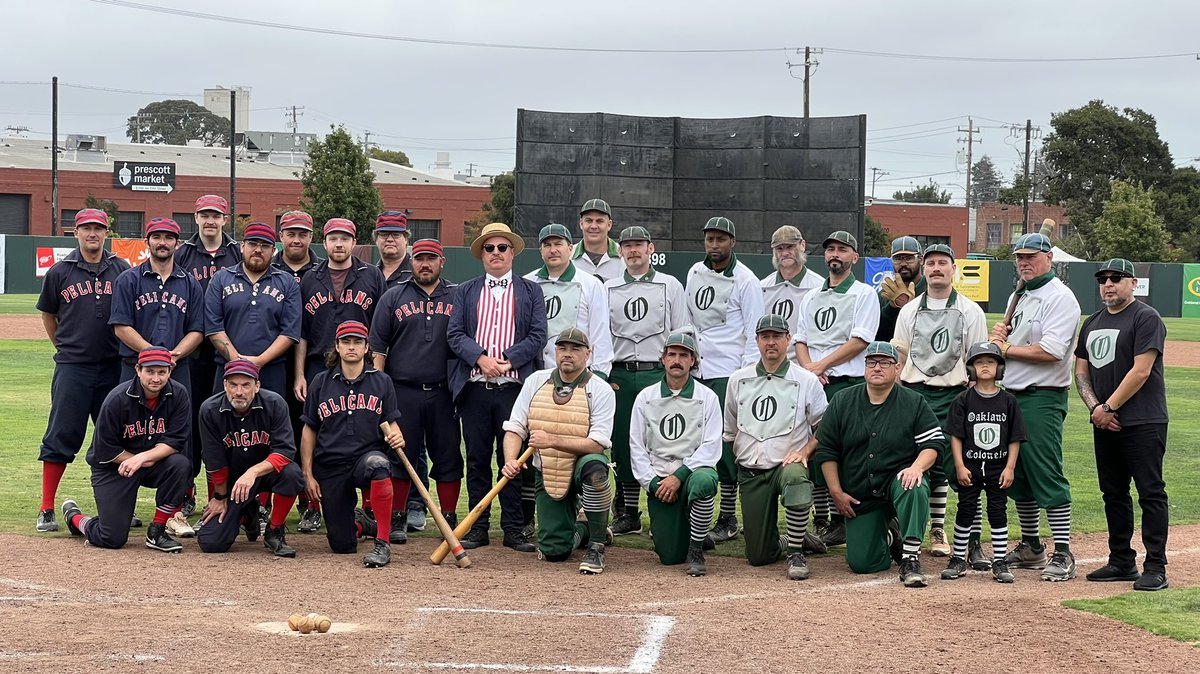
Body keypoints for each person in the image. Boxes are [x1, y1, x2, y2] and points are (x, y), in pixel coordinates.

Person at [811, 341, 947, 587]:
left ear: (897, 369)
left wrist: (917, 467)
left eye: (885, 363)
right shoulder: (842, 400)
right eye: (871, 362)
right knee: (862, 564)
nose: (877, 368)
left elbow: (934, 444)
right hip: (861, 492)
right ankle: (890, 535)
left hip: (898, 482)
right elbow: (826, 450)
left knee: (913, 484)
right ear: (864, 368)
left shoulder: (913, 401)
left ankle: (910, 558)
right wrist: (835, 492)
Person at [447, 222, 547, 552]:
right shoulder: (466, 290)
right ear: (481, 255)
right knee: (476, 459)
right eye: (489, 249)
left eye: (502, 248)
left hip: (514, 389)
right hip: (475, 388)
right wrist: (481, 359)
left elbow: (537, 335)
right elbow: (455, 334)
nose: (495, 254)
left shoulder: (531, 290)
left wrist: (507, 359)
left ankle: (514, 528)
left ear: (513, 252)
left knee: (513, 460)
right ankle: (478, 528)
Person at [989, 232, 1081, 581]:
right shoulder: (1020, 293)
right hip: (1011, 394)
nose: (1024, 262)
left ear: (1049, 257)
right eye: (1019, 257)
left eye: (1031, 256)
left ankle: (1064, 552)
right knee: (1019, 476)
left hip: (1042, 395)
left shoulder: (1060, 297)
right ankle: (1031, 546)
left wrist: (1004, 348)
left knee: (1046, 471)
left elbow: (1051, 351)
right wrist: (1003, 338)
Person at [1075, 259, 1170, 591]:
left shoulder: (1146, 318)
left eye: (1116, 278)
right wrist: (1096, 410)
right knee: (1113, 493)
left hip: (1143, 420)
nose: (1108, 284)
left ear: (1133, 283)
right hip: (1104, 421)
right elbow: (1081, 371)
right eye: (1103, 279)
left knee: (1150, 493)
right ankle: (1121, 561)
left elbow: (1141, 371)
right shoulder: (1092, 322)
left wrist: (1109, 407)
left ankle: (1156, 567)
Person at [889, 243, 988, 560]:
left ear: (953, 269)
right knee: (918, 465)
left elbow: (976, 363)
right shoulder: (909, 310)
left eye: (942, 263)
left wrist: (973, 402)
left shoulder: (971, 311)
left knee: (963, 469)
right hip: (915, 394)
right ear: (924, 268)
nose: (936, 268)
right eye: (930, 263)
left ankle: (971, 541)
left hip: (954, 395)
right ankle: (926, 530)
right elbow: (900, 357)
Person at [35, 209, 131, 532]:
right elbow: (49, 316)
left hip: (113, 366)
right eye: (86, 228)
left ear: (107, 233)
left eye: (99, 228)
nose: (93, 233)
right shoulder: (60, 272)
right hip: (73, 367)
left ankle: (121, 505)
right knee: (61, 433)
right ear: (75, 232)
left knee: (116, 437)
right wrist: (64, 347)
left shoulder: (122, 270)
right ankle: (47, 506)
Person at [500, 327, 617, 574]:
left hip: (582, 466)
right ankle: (584, 527)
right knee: (553, 552)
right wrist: (510, 460)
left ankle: (596, 545)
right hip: (549, 469)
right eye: (562, 348)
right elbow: (515, 428)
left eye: (575, 349)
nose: (568, 354)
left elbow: (597, 443)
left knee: (596, 469)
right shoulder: (535, 381)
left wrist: (551, 439)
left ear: (588, 354)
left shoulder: (601, 389)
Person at [370, 239, 464, 538]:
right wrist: (380, 392)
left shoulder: (458, 295)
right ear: (412, 261)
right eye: (420, 258)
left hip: (444, 390)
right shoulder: (394, 296)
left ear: (442, 262)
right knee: (400, 454)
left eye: (431, 259)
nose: (425, 264)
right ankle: (397, 518)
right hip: (402, 389)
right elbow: (378, 348)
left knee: (448, 455)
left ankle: (448, 517)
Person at [725, 315, 828, 580]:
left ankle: (796, 552)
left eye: (777, 337)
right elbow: (730, 430)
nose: (771, 343)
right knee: (759, 556)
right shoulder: (738, 379)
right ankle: (794, 538)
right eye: (765, 337)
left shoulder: (806, 380)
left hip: (786, 466)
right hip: (751, 470)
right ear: (757, 340)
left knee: (796, 477)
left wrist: (804, 452)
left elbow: (824, 428)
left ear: (788, 340)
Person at [60, 347, 192, 553]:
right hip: (113, 467)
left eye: (161, 372)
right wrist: (135, 460)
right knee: (111, 537)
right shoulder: (117, 399)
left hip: (149, 462)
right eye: (150, 371)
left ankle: (156, 531)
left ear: (170, 371)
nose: (156, 378)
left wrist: (141, 459)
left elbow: (175, 441)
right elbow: (104, 449)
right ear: (138, 370)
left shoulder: (179, 394)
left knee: (180, 465)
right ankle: (76, 519)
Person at [795, 230, 880, 547]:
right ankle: (824, 519)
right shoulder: (812, 296)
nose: (835, 254)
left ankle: (843, 520)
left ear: (854, 257)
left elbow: (860, 341)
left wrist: (821, 366)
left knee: (844, 455)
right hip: (813, 384)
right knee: (815, 455)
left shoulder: (863, 294)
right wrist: (808, 370)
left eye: (842, 250)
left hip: (846, 384)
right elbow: (800, 340)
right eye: (830, 249)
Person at [604, 226, 690, 536]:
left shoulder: (670, 285)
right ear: (620, 251)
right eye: (627, 245)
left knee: (664, 441)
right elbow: (601, 335)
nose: (633, 250)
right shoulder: (609, 287)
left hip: (659, 371)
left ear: (651, 248)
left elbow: (683, 332)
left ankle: (663, 508)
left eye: (639, 244)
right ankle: (628, 512)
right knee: (626, 443)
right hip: (622, 373)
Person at [684, 216, 764, 544]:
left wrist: (744, 376)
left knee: (728, 446)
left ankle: (728, 516)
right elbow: (689, 319)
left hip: (728, 373)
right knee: (696, 442)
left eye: (720, 239)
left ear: (733, 242)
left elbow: (753, 329)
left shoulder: (746, 280)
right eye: (709, 239)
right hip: (699, 372)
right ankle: (698, 512)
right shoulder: (693, 272)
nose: (714, 245)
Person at [301, 321, 406, 568]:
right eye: (346, 342)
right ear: (336, 346)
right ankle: (362, 524)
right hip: (330, 464)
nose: (351, 347)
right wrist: (308, 473)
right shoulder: (320, 382)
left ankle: (382, 542)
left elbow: (391, 422)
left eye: (357, 342)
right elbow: (309, 429)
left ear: (366, 347)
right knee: (342, 545)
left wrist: (398, 436)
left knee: (379, 464)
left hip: (365, 458)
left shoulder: (382, 381)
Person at [628, 330, 721, 576]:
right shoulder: (645, 397)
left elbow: (712, 446)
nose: (677, 360)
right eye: (672, 354)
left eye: (684, 355)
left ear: (693, 361)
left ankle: (697, 548)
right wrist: (653, 483)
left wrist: (680, 475)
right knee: (669, 557)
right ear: (663, 359)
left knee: (704, 481)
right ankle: (693, 535)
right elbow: (637, 446)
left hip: (690, 475)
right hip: (660, 481)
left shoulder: (708, 397)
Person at [197, 359, 305, 558]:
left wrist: (253, 472)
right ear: (224, 385)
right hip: (234, 482)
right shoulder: (210, 410)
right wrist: (220, 498)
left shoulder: (275, 403)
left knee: (293, 474)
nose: (239, 391)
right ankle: (248, 514)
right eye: (233, 384)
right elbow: (214, 460)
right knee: (211, 543)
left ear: (257, 386)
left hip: (267, 473)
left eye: (246, 385)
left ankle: (275, 530)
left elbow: (285, 452)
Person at [175, 194, 241, 515]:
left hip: (227, 355)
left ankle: (220, 493)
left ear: (225, 219)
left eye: (216, 215)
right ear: (196, 217)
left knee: (219, 424)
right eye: (205, 215)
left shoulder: (238, 253)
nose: (211, 220)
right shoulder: (183, 254)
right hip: (191, 355)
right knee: (188, 425)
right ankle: (185, 491)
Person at [941, 342, 1025, 583]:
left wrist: (1010, 467)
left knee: (998, 511)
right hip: (971, 466)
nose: (985, 366)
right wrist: (959, 465)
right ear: (971, 368)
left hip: (999, 468)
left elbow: (1014, 439)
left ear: (1000, 368)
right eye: (979, 362)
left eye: (991, 362)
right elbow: (956, 436)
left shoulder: (1009, 401)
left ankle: (999, 560)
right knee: (966, 510)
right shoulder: (963, 399)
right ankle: (958, 558)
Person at [270, 209, 324, 531]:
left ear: (310, 237)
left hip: (312, 364)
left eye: (303, 233)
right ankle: (267, 503)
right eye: (291, 233)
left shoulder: (321, 270)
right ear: (282, 236)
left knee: (311, 433)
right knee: (276, 432)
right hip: (274, 363)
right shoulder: (265, 266)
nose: (296, 239)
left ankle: (311, 503)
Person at [204, 222, 301, 398]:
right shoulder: (221, 279)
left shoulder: (287, 282)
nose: (258, 249)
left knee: (271, 422)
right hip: (227, 368)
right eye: (252, 243)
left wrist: (258, 362)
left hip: (272, 370)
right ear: (242, 246)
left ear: (273, 250)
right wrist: (238, 362)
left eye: (265, 245)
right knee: (224, 422)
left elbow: (290, 331)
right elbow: (213, 327)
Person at [110, 217, 205, 389]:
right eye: (156, 237)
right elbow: (121, 327)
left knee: (178, 416)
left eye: (169, 238)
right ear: (147, 242)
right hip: (135, 365)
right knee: (131, 416)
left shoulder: (190, 283)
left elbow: (197, 330)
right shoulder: (127, 280)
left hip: (177, 366)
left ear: (177, 243)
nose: (162, 242)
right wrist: (154, 355)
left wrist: (172, 357)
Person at [525, 223, 614, 379]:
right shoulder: (527, 283)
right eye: (547, 245)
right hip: (536, 374)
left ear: (570, 248)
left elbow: (600, 335)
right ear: (541, 251)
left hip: (579, 375)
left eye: (558, 244)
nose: (553, 250)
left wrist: (600, 374)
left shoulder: (591, 284)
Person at [759, 225, 822, 362]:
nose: (785, 253)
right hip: (769, 366)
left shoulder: (819, 287)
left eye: (790, 247)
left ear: (802, 245)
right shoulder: (762, 287)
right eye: (779, 248)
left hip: (805, 367)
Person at [876, 236, 926, 342]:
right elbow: (877, 336)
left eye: (909, 258)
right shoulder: (884, 294)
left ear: (921, 260)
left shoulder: (931, 290)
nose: (903, 264)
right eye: (898, 259)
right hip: (891, 355)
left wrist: (912, 307)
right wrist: (892, 308)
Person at [572, 198, 623, 282]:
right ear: (581, 224)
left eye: (599, 221)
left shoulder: (623, 257)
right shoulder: (568, 256)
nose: (594, 226)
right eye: (588, 221)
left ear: (609, 225)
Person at [375, 211, 413, 288]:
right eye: (384, 234)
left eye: (396, 234)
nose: (389, 239)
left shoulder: (416, 274)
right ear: (376, 239)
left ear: (406, 239)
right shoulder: (369, 275)